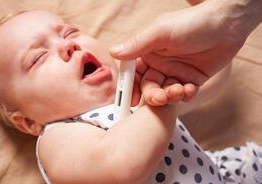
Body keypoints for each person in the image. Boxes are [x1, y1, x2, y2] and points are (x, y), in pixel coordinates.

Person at [0, 10, 262, 184]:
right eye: (38, 58)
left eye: (69, 32)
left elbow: (210, 84)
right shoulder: (58, 138)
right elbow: (122, 165)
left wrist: (200, 55)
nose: (68, 46)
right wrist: (159, 97)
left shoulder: (138, 93)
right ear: (28, 121)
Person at [110, 0, 262, 106]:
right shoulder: (88, 130)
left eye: (84, 38)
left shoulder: (148, 89)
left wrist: (220, 23)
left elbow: (211, 77)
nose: (84, 51)